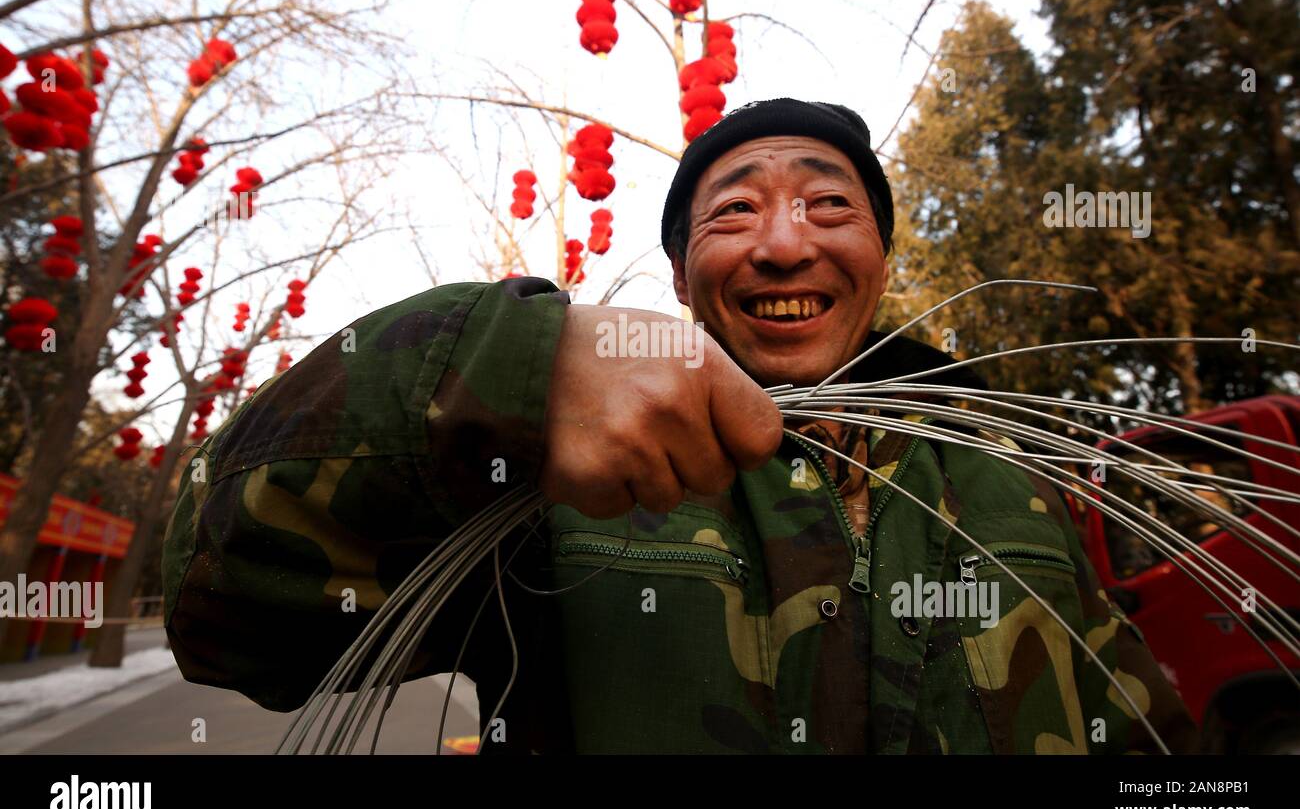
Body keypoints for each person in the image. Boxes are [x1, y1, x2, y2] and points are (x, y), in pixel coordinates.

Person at [162, 97, 1196, 754]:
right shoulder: (552, 479)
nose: (784, 244)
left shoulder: (1004, 473)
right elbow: (227, 617)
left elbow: (1146, 732)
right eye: (733, 213)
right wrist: (503, 382)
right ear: (677, 276)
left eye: (829, 207)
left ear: (879, 255)